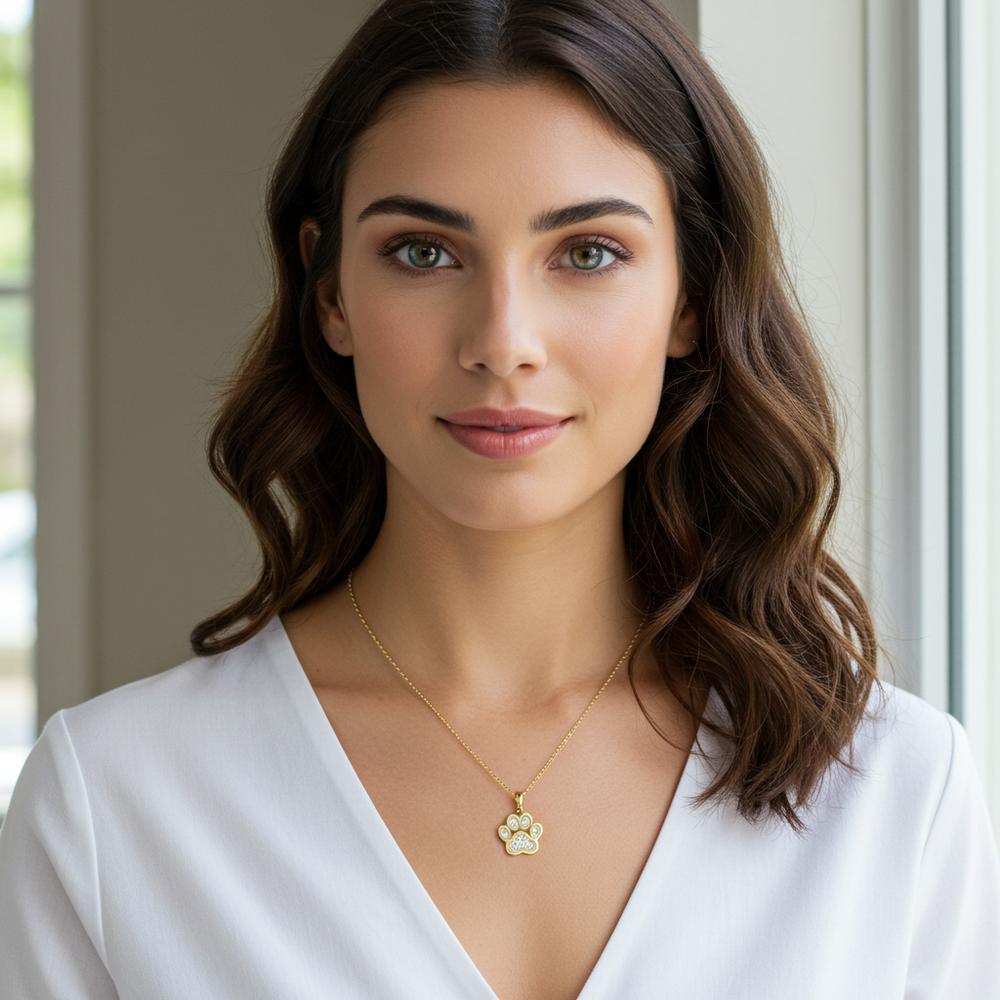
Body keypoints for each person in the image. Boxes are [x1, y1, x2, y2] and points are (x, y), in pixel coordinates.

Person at [2, 0, 999, 997]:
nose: (503, 339)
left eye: (588, 253)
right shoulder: (115, 804)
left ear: (689, 297)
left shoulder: (894, 798)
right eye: (424, 253)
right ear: (331, 292)